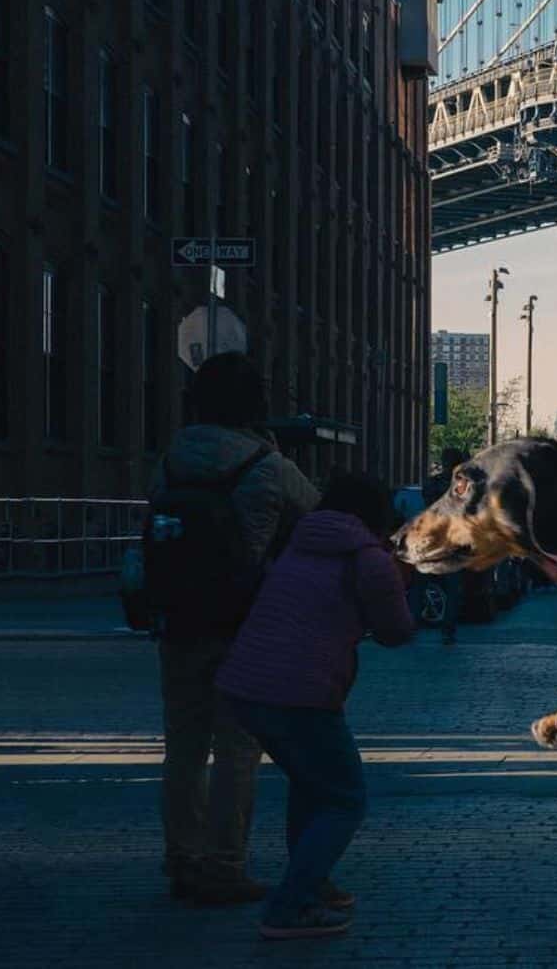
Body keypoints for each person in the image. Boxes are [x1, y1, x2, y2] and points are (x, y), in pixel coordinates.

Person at [216, 472, 416, 940]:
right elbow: (397, 633)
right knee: (346, 799)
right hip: (302, 694)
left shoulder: (298, 543)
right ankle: (287, 907)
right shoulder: (370, 559)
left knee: (309, 785)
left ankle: (311, 883)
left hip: (245, 686)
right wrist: (399, 580)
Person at [151, 352, 319, 904]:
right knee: (238, 749)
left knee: (183, 746)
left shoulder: (173, 457)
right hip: (246, 621)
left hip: (179, 619)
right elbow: (317, 516)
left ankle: (182, 859)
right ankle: (225, 864)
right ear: (254, 404)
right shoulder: (266, 465)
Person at [420, 447, 480, 643]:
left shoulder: (433, 483)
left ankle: (413, 622)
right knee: (453, 588)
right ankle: (448, 628)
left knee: (421, 583)